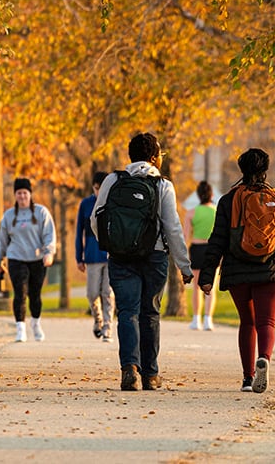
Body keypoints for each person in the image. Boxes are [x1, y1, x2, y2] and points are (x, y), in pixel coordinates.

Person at [91, 132, 193, 391]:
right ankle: (150, 374)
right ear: (153, 157)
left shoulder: (113, 180)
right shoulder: (163, 185)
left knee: (127, 312)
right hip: (154, 257)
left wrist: (114, 242)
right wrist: (184, 266)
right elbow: (173, 228)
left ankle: (129, 369)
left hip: (121, 258)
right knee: (150, 313)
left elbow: (96, 218)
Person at [198, 148, 275, 393]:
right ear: (265, 170)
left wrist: (206, 276)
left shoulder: (229, 199)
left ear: (241, 169)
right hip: (272, 268)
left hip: (237, 270)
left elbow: (218, 240)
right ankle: (264, 357)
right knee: (267, 321)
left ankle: (248, 377)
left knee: (248, 322)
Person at [0, 177, 57, 343]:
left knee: (35, 295)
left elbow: (49, 235)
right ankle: (20, 328)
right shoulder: (8, 216)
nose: (22, 196)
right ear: (15, 195)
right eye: (19, 193)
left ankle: (35, 324)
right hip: (16, 258)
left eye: (25, 193)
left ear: (30, 194)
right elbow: (2, 241)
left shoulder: (41, 212)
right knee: (20, 293)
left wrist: (49, 253)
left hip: (37, 258)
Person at [75, 171, 115, 342]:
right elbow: (79, 232)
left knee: (107, 292)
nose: (99, 192)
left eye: (102, 188)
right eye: (97, 188)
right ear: (93, 187)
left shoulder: (113, 202)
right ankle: (98, 318)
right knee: (92, 293)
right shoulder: (86, 204)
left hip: (110, 255)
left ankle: (108, 326)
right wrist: (79, 256)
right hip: (91, 255)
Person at [183, 181, 218, 331]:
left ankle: (195, 319)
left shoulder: (191, 213)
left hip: (196, 249)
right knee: (210, 287)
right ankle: (208, 320)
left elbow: (185, 236)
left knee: (196, 287)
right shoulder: (217, 212)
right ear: (212, 195)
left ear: (198, 195)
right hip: (212, 250)